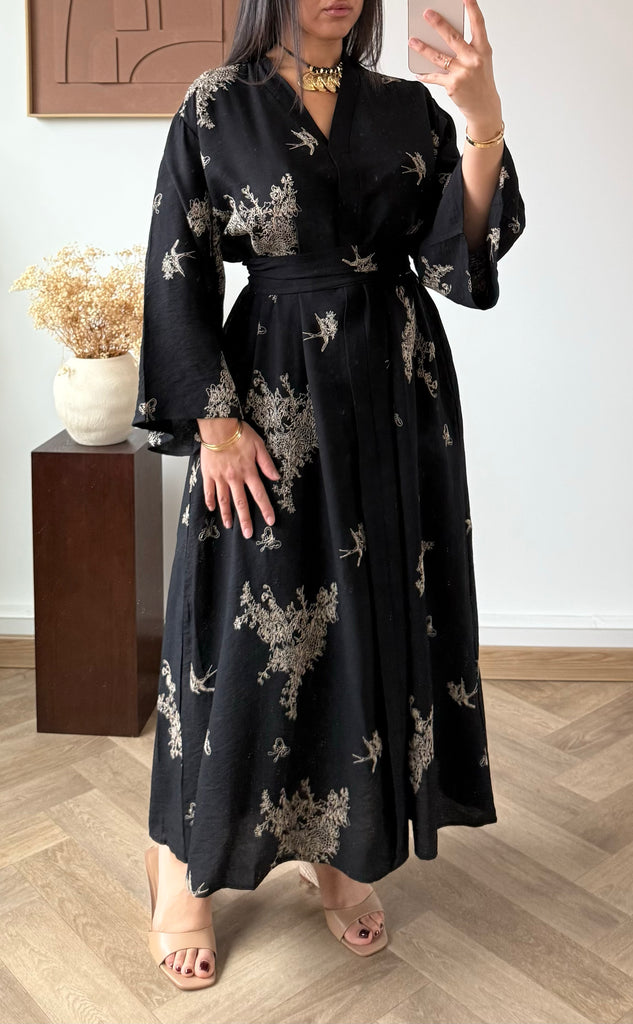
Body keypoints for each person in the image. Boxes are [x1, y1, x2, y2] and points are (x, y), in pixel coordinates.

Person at [133, 0, 525, 989]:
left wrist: (481, 123)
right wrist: (215, 425)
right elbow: (176, 263)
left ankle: (342, 848)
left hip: (394, 395)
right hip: (267, 398)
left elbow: (453, 257)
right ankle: (182, 865)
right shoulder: (215, 106)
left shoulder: (401, 106)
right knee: (242, 630)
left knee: (369, 620)